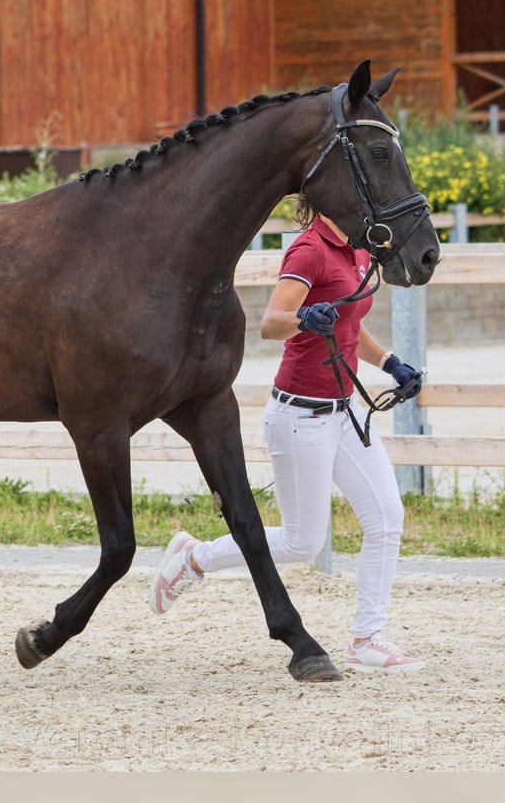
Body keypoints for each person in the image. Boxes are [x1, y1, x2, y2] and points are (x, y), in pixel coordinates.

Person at [150, 205, 425, 673]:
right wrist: (305, 318)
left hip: (345, 412)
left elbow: (351, 319)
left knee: (386, 519)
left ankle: (367, 639)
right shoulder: (309, 250)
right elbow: (271, 322)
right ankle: (194, 558)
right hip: (300, 416)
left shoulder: (358, 247)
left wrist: (389, 362)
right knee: (304, 542)